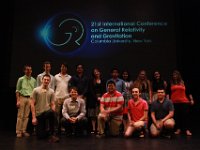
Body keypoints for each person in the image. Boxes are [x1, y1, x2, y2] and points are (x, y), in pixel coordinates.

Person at [30, 74, 59, 143]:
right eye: (45, 79)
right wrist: (34, 117)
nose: (46, 81)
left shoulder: (51, 91)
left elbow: (52, 104)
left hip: (47, 113)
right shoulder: (36, 90)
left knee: (52, 112)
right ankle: (47, 133)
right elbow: (32, 104)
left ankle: (52, 134)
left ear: (49, 81)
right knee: (40, 136)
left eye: (48, 80)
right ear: (41, 80)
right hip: (39, 115)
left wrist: (53, 111)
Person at [167, 70, 194, 136]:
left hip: (184, 101)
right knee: (177, 116)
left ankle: (187, 130)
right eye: (174, 75)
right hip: (174, 102)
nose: (175, 76)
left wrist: (191, 99)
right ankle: (178, 129)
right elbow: (168, 93)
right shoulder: (170, 83)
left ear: (178, 75)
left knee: (185, 116)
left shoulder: (183, 82)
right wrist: (168, 101)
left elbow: (189, 92)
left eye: (176, 75)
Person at [15, 65, 36, 138]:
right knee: (20, 115)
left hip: (30, 98)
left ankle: (23, 130)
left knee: (26, 116)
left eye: (30, 70)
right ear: (24, 71)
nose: (28, 71)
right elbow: (17, 91)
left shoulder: (34, 80)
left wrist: (33, 100)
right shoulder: (21, 79)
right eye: (27, 70)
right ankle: (18, 131)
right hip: (22, 97)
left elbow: (34, 91)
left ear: (31, 71)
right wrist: (18, 100)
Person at [87, 67, 106, 134]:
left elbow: (104, 90)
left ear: (99, 72)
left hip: (102, 99)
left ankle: (99, 128)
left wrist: (101, 97)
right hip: (93, 99)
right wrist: (96, 97)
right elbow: (91, 90)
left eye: (97, 71)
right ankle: (93, 128)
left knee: (99, 114)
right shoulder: (91, 80)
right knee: (93, 115)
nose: (96, 73)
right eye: (95, 72)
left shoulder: (103, 80)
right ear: (93, 74)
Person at [54, 62, 71, 134]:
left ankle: (63, 128)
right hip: (57, 97)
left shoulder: (69, 77)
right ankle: (56, 128)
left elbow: (70, 87)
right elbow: (54, 87)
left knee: (65, 114)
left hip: (66, 97)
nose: (63, 68)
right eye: (62, 67)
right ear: (60, 68)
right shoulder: (56, 76)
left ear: (66, 69)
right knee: (56, 114)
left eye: (65, 67)